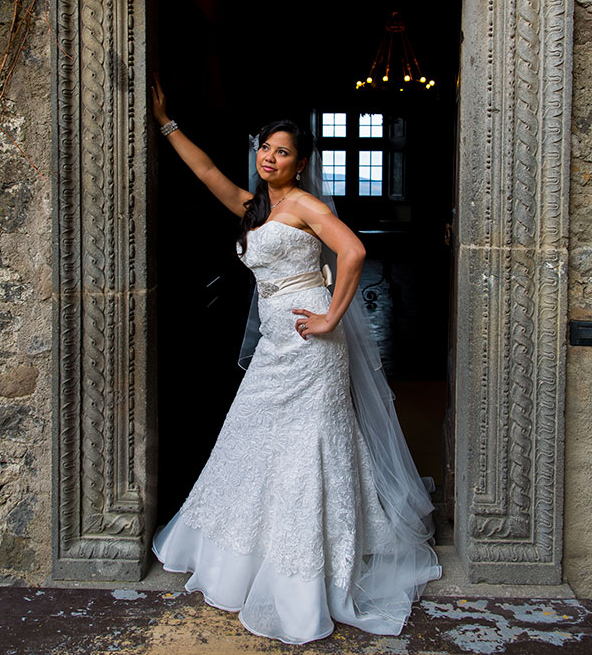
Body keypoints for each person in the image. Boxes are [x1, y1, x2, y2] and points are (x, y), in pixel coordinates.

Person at [150, 74, 441, 645]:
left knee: (311, 441)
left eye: (282, 152)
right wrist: (166, 122)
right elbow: (208, 172)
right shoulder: (254, 206)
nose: (269, 157)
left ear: (300, 163)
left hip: (310, 338)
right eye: (265, 148)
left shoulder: (305, 204)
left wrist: (331, 317)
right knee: (255, 435)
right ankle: (253, 553)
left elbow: (353, 250)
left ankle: (306, 568)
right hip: (276, 342)